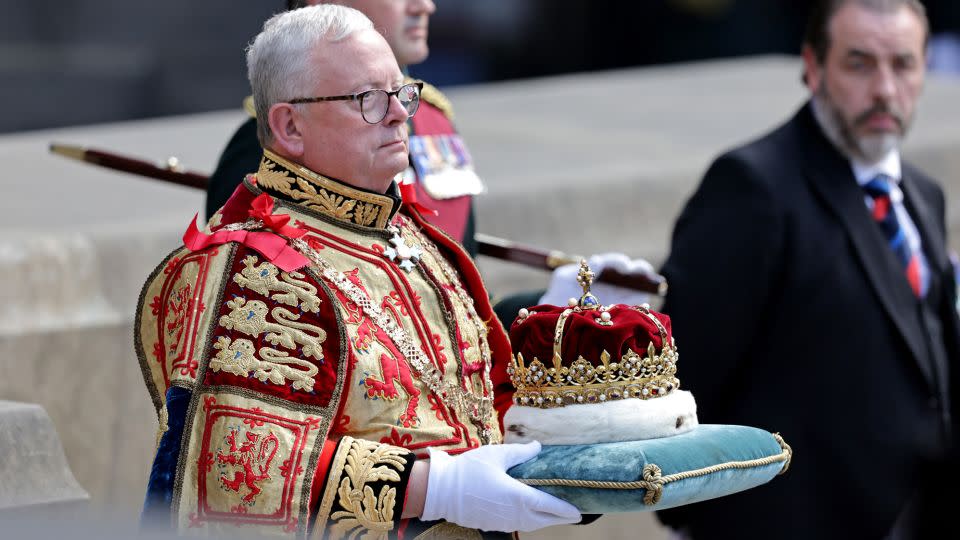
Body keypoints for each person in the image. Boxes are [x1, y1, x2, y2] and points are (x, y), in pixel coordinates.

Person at [135, 5, 582, 537]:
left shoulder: (415, 237)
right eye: (367, 99)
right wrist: (434, 488)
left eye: (402, 93)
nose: (399, 114)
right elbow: (241, 471)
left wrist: (570, 454)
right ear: (289, 125)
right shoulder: (251, 269)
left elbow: (485, 399)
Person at [655, 0, 958, 538]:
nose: (885, 89)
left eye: (903, 64)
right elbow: (690, 375)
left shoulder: (923, 195)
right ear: (814, 67)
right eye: (859, 64)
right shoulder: (752, 187)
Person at [205, 0, 652, 330]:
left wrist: (556, 307)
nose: (426, 5)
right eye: (367, 99)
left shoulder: (433, 121)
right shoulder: (265, 146)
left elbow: (461, 317)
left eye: (400, 95)